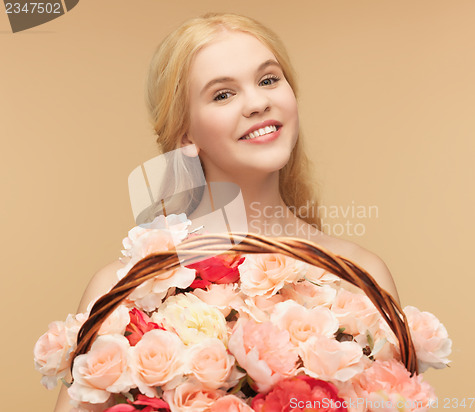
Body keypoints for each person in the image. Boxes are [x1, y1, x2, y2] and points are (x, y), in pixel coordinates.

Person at [54, 12, 400, 411]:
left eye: (269, 80)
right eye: (223, 94)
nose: (258, 102)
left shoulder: (359, 274)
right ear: (186, 134)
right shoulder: (125, 286)